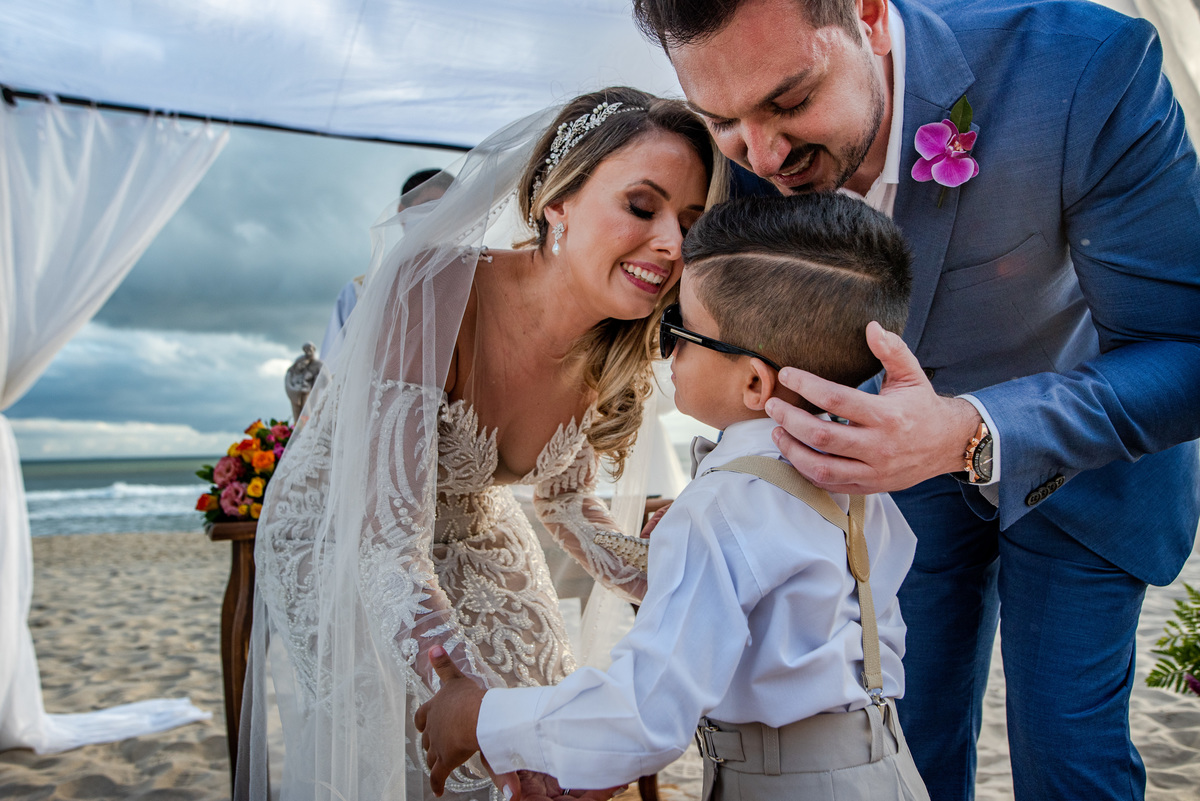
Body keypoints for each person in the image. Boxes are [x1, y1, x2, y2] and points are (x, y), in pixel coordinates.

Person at [630, 0, 1200, 798]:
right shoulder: (744, 151)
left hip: (1085, 463)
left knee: (1068, 758)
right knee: (905, 745)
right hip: (888, 490)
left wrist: (971, 429)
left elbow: (1185, 347)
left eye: (790, 102)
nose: (762, 153)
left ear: (866, 14)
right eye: (723, 120)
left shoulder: (1083, 69)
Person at [236, 86, 722, 801]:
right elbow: (386, 544)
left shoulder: (622, 342)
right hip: (340, 530)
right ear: (557, 201)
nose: (672, 246)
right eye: (642, 208)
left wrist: (671, 575)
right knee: (434, 750)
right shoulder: (432, 288)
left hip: (470, 523)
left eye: (690, 221)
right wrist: (468, 694)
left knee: (537, 700)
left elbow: (566, 506)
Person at [416, 192, 928, 800]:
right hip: (886, 771)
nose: (667, 350)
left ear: (755, 382)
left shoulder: (718, 508)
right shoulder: (866, 489)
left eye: (680, 330)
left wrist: (479, 717)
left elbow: (646, 715)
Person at [319, 169, 455, 362]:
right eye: (428, 205)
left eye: (451, 207)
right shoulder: (360, 292)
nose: (438, 215)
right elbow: (330, 371)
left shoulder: (471, 286)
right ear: (402, 211)